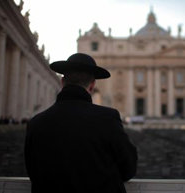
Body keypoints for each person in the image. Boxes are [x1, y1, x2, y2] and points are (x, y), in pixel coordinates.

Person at [24, 53, 138, 193]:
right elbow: (129, 168)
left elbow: (32, 170)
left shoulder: (36, 123)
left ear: (62, 82)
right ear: (92, 85)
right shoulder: (107, 118)